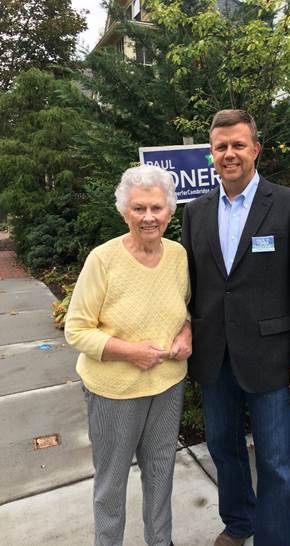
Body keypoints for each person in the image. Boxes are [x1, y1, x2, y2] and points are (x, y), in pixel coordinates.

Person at [182, 110, 290, 546]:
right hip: (214, 358)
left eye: (238, 145)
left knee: (278, 461)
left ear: (255, 149)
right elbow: (188, 284)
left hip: (272, 360)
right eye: (221, 147)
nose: (230, 154)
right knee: (224, 450)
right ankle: (240, 522)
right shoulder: (196, 212)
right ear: (212, 154)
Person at [65, 165, 191, 546]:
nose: (149, 217)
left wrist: (187, 332)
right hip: (113, 392)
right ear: (124, 212)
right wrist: (131, 352)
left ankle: (160, 540)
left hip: (168, 385)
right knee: (111, 481)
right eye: (139, 209)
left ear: (170, 211)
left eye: (156, 208)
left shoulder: (178, 254)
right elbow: (77, 329)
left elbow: (185, 309)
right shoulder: (102, 260)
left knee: (160, 470)